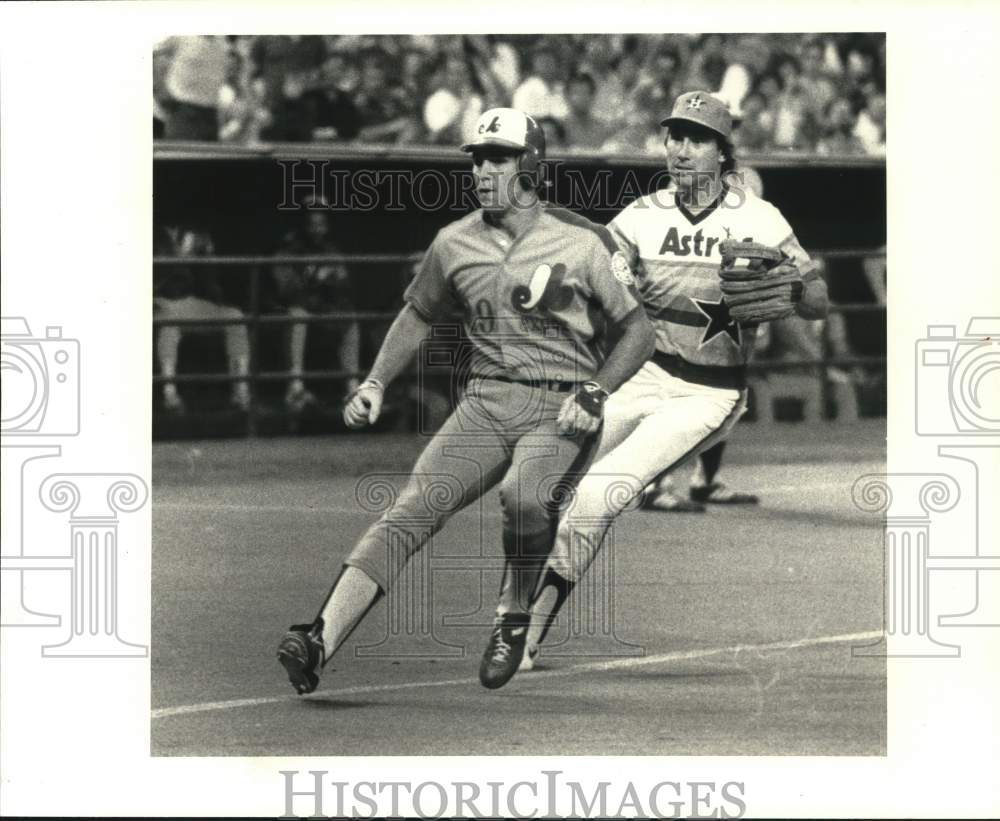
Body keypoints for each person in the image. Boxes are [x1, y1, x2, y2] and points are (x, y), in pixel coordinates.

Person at [276, 107, 655, 693]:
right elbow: (418, 312)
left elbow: (639, 331)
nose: (482, 169)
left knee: (525, 499)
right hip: (485, 403)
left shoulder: (585, 240)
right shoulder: (453, 242)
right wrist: (376, 381)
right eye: (477, 158)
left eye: (497, 157)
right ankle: (319, 638)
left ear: (529, 163)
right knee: (410, 510)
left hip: (562, 407)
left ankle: (513, 612)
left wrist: (595, 389)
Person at [519, 91, 829, 669]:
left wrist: (789, 290)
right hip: (641, 376)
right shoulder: (641, 216)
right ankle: (511, 613)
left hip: (707, 393)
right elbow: (595, 275)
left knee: (594, 496)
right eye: (674, 137)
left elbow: (817, 300)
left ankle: (527, 633)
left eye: (696, 138)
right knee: (541, 484)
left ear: (720, 152)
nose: (681, 150)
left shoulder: (759, 219)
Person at [266, 204, 361, 410]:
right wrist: (315, 278)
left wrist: (330, 283)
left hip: (321, 310)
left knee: (349, 319)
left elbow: (344, 285)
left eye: (321, 224)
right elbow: (286, 291)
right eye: (312, 224)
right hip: (289, 312)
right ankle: (295, 387)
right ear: (303, 226)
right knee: (297, 315)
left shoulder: (331, 251)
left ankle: (352, 387)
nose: (317, 229)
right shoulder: (287, 251)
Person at [154, 224, 252, 413]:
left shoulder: (197, 235)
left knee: (235, 317)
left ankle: (241, 392)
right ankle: (170, 394)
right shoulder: (148, 232)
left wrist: (206, 255)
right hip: (159, 301)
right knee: (170, 325)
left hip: (189, 301)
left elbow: (210, 281)